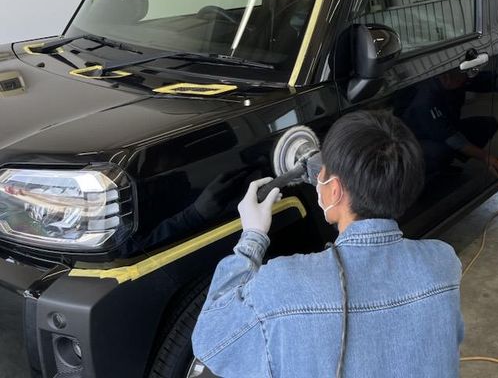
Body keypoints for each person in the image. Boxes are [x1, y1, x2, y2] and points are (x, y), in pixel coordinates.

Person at [192, 110, 464, 377]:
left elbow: (211, 340)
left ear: (334, 190)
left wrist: (252, 237)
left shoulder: (282, 285)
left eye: (323, 172)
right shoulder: (443, 263)